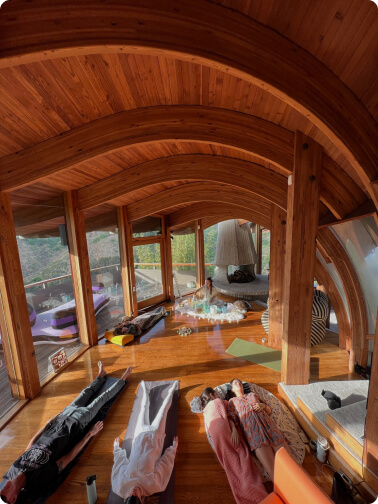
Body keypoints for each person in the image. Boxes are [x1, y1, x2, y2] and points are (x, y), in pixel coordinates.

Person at [1, 362, 132, 504]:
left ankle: (100, 376)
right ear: (14, 499)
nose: (1, 491)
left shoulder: (14, 470)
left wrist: (46, 425)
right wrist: (89, 434)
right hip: (74, 426)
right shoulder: (37, 481)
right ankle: (123, 379)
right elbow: (69, 458)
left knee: (85, 392)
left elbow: (30, 447)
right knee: (101, 399)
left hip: (58, 421)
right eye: (3, 497)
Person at [111, 380, 178, 503]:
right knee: (163, 410)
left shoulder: (119, 487)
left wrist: (116, 448)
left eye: (131, 494)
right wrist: (172, 449)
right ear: (142, 500)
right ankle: (172, 390)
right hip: (155, 438)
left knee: (143, 408)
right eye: (136, 495)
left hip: (139, 436)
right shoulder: (153, 486)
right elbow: (165, 466)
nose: (134, 491)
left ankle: (146, 391)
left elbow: (119, 465)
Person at [200, 387, 267, 504]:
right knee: (242, 457)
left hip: (217, 439)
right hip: (223, 432)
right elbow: (230, 415)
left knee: (231, 466)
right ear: (212, 395)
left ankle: (247, 496)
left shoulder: (205, 412)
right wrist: (234, 429)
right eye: (216, 394)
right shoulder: (218, 402)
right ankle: (255, 494)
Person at [228, 378, 287, 480]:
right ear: (232, 389)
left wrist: (263, 406)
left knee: (289, 465)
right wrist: (233, 430)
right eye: (235, 383)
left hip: (271, 428)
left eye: (239, 382)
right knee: (274, 472)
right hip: (254, 434)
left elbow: (269, 411)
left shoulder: (252, 395)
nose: (238, 383)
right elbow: (231, 418)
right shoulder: (232, 402)